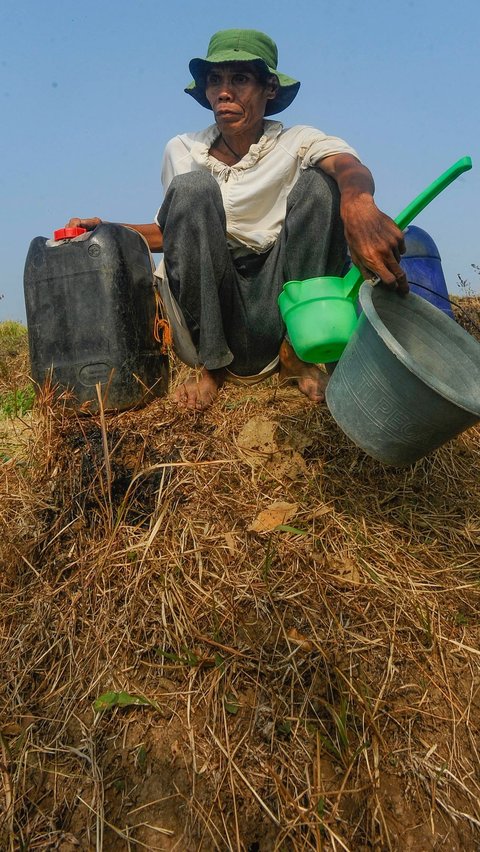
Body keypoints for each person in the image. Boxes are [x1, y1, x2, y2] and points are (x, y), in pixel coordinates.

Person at [67, 28, 407, 410]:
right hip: (215, 308)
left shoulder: (297, 142)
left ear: (270, 89)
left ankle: (298, 356)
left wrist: (359, 203)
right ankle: (211, 367)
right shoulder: (183, 149)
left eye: (240, 79)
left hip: (280, 301)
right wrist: (108, 232)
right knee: (193, 188)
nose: (224, 92)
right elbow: (174, 233)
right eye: (216, 80)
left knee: (321, 185)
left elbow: (347, 166)